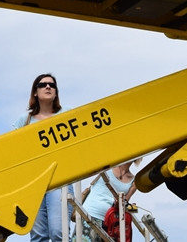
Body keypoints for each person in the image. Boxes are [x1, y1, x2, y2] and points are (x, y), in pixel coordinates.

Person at [14, 74, 74, 242]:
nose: (48, 87)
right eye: (43, 84)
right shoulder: (24, 120)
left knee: (58, 233)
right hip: (33, 183)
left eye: (52, 85)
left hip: (60, 179)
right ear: (35, 92)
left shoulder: (68, 113)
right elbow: (14, 151)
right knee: (38, 236)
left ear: (56, 92)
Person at [77, 159, 140, 242]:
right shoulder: (108, 164)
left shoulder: (134, 181)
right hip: (89, 215)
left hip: (110, 224)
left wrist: (120, 204)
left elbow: (124, 202)